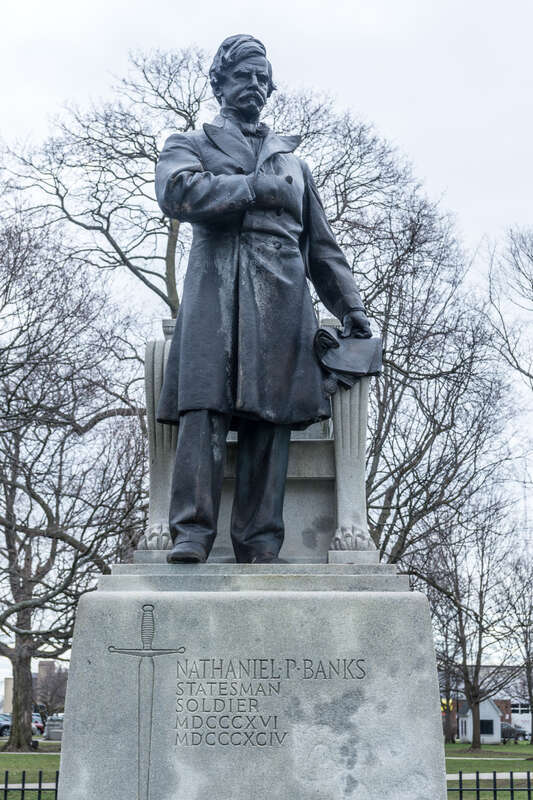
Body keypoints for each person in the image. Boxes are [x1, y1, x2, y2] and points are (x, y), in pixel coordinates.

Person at [155, 34, 371, 564]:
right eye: (242, 75)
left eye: (261, 77)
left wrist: (351, 307)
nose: (253, 85)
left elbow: (321, 246)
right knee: (203, 409)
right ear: (219, 83)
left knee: (268, 420)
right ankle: (191, 533)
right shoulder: (192, 143)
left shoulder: (295, 165)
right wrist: (253, 189)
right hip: (216, 288)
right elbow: (177, 192)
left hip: (282, 297)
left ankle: (259, 542)